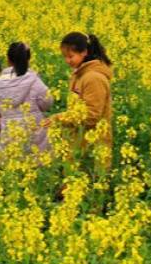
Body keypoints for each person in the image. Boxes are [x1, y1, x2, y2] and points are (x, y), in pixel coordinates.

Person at [44, 32, 114, 171]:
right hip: (80, 141)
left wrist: (59, 118)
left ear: (84, 52)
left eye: (71, 56)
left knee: (91, 183)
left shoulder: (93, 78)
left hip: (93, 145)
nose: (67, 61)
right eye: (65, 57)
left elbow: (92, 115)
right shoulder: (80, 74)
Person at [0, 42, 53, 156]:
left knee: (13, 165)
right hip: (34, 132)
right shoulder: (34, 81)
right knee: (36, 165)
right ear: (28, 60)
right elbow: (47, 103)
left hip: (10, 133)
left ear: (8, 60)